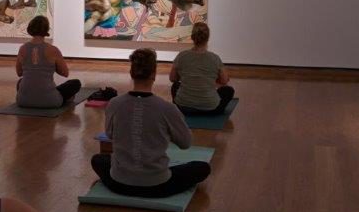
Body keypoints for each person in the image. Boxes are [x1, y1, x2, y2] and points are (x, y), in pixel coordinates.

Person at [91, 49, 211, 198]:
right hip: (157, 185)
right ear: (154, 74)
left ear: (131, 73)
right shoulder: (167, 108)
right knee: (201, 168)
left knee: (98, 160)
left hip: (119, 182)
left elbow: (109, 134)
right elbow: (185, 143)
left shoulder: (114, 104)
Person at [15, 16, 81, 108]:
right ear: (46, 29)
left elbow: (19, 73)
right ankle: (63, 98)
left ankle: (30, 98)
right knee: (75, 83)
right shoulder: (53, 50)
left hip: (23, 101)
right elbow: (65, 73)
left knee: (21, 81)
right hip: (51, 101)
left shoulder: (22, 49)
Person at [170, 23, 234, 115]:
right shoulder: (214, 58)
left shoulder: (182, 56)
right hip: (210, 109)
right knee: (228, 90)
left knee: (175, 86)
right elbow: (224, 81)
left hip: (183, 107)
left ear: (192, 37)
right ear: (207, 38)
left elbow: (173, 79)